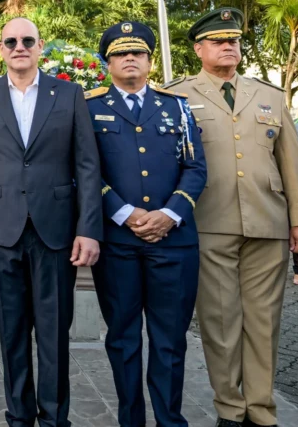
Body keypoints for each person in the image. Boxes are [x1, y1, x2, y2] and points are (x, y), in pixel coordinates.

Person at [0, 17, 103, 427]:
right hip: (0, 232)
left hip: (55, 232)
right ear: (1, 49)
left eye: (27, 40)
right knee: (12, 333)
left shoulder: (69, 94)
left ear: (40, 47)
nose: (18, 46)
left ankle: (55, 419)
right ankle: (18, 417)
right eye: (10, 41)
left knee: (54, 334)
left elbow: (87, 166)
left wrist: (88, 228)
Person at [166, 8, 298, 427]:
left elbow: (292, 164)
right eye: (219, 41)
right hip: (209, 221)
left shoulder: (269, 95)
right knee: (220, 321)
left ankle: (261, 410)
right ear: (199, 49)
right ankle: (230, 407)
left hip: (268, 221)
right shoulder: (177, 96)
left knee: (265, 322)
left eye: (234, 40)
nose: (229, 46)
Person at [86, 22, 207, 427]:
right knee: (122, 338)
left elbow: (195, 167)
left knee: (170, 339)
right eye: (121, 53)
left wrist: (169, 214)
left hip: (174, 242)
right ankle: (131, 420)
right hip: (117, 242)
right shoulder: (88, 108)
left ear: (150, 61)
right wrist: (125, 213)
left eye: (137, 53)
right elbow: (83, 170)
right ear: (108, 63)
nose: (130, 59)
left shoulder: (177, 107)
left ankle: (170, 419)